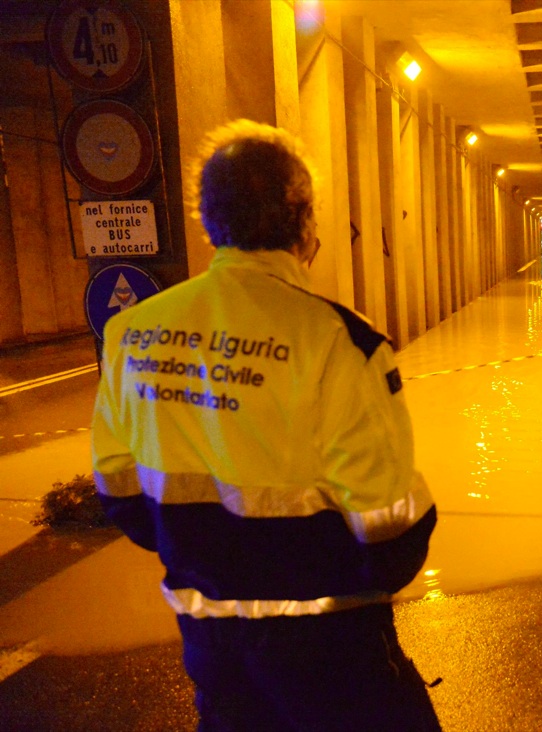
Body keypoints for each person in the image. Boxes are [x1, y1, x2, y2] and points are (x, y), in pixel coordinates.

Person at [91, 120, 441, 731]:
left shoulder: (132, 333)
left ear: (208, 222)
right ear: (304, 221)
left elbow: (119, 488)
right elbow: (388, 527)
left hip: (208, 633)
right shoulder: (339, 341)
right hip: (332, 640)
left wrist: (202, 554)